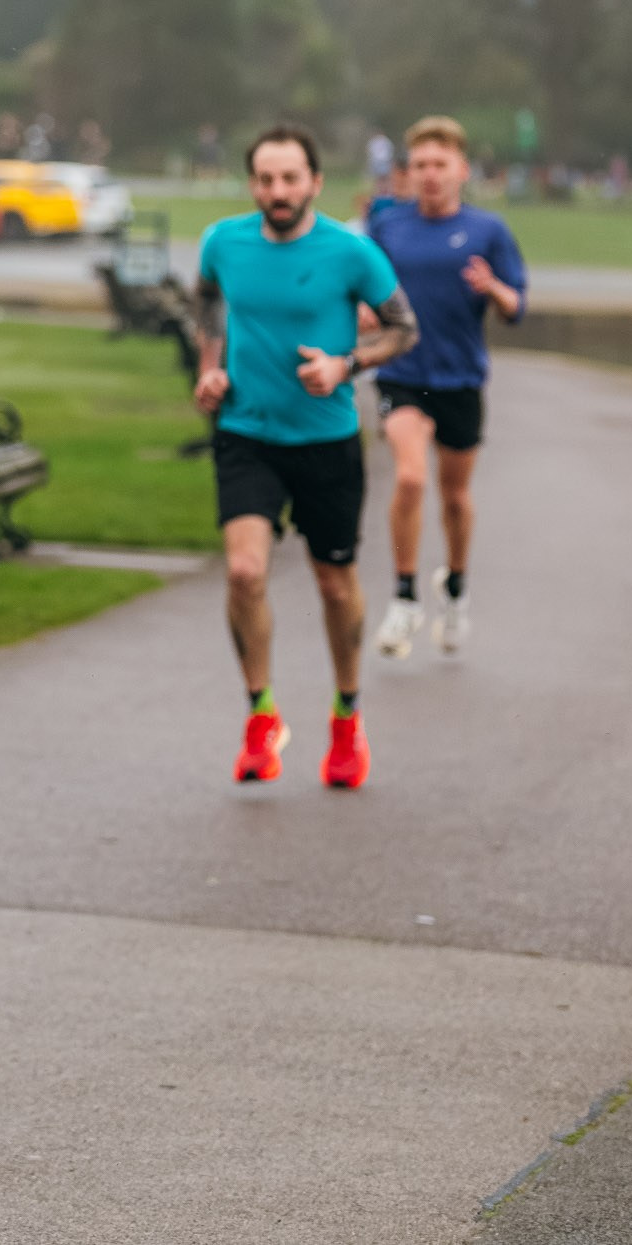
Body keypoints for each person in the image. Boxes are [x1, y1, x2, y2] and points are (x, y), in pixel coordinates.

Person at [193, 125, 420, 789]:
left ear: (315, 182)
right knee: (243, 573)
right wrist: (211, 365)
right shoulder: (224, 241)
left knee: (332, 583)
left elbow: (406, 329)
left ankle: (347, 715)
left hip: (325, 441)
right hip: (245, 432)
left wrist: (345, 365)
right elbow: (206, 294)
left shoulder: (353, 253)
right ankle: (260, 713)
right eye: (266, 179)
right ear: (253, 184)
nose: (277, 191)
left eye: (290, 179)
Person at [367, 116, 526, 659]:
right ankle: (405, 596)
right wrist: (366, 316)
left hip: (459, 377)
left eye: (440, 165)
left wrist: (493, 288)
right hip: (403, 375)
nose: (430, 175)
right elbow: (364, 290)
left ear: (461, 170)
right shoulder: (388, 227)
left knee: (454, 496)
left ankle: (454, 587)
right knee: (410, 478)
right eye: (420, 166)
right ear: (407, 173)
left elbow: (516, 308)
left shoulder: (488, 231)